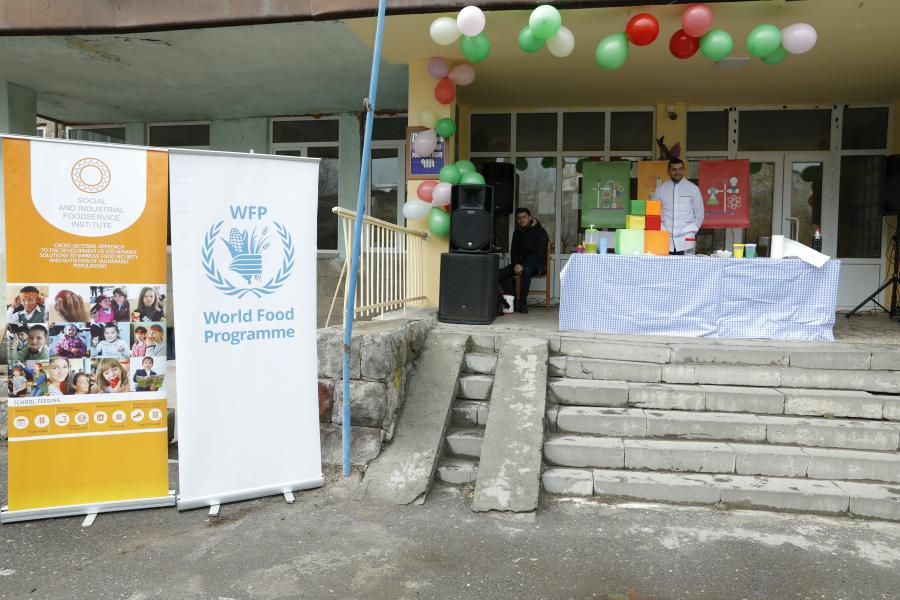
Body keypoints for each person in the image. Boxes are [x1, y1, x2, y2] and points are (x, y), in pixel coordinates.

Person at [498, 207, 549, 314]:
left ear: (529, 217)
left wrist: (523, 265)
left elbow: (541, 254)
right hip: (521, 263)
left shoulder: (540, 231)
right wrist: (516, 264)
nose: (522, 220)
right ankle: (515, 297)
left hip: (538, 264)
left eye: (524, 217)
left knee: (526, 270)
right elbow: (514, 252)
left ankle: (522, 303)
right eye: (519, 218)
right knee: (498, 274)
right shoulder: (517, 233)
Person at [653, 158, 705, 255]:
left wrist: (691, 230)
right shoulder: (660, 190)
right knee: (665, 269)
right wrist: (660, 231)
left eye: (680, 169)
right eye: (674, 169)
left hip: (686, 241)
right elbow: (654, 214)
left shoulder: (693, 189)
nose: (678, 172)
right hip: (665, 240)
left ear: (683, 170)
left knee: (687, 269)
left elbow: (699, 214)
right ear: (668, 171)